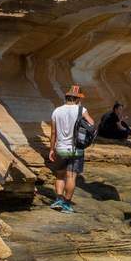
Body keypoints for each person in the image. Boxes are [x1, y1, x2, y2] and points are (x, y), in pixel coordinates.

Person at [47, 85, 94, 213]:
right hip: (76, 149)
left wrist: (51, 149)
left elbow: (53, 133)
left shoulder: (56, 111)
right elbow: (92, 124)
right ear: (78, 99)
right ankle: (67, 204)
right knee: (71, 177)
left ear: (66, 97)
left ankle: (58, 199)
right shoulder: (81, 109)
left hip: (60, 148)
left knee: (60, 175)